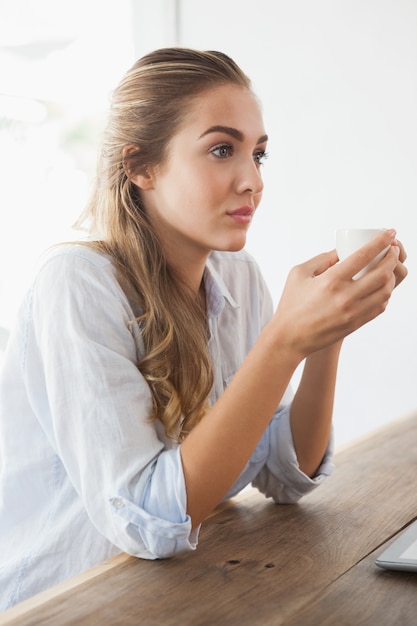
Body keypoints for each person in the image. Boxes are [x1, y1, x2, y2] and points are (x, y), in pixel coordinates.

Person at [0, 47, 407, 610]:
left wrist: (325, 335)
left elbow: (287, 473)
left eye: (258, 155)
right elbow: (151, 520)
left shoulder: (237, 280)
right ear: (141, 166)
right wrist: (285, 338)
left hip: (182, 590)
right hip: (67, 601)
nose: (251, 181)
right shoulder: (77, 284)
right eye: (222, 150)